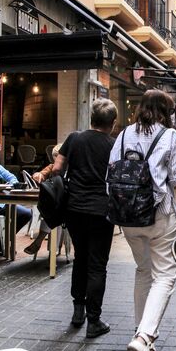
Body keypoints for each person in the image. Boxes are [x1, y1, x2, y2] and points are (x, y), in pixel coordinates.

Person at [108, 90, 176, 351]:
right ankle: (145, 336)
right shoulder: (170, 136)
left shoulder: (124, 134)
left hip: (127, 215)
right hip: (159, 214)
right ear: (166, 112)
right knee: (164, 276)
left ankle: (140, 334)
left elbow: (111, 170)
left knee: (143, 270)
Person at [52, 99, 117, 338]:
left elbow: (58, 168)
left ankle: (77, 313)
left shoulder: (74, 138)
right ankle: (94, 321)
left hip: (75, 209)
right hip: (102, 211)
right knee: (97, 264)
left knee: (81, 259)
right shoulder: (114, 144)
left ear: (91, 118)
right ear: (112, 122)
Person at [23, 143, 62, 255]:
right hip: (53, 206)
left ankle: (40, 242)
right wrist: (38, 175)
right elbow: (39, 174)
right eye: (54, 158)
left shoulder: (71, 169)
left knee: (55, 214)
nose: (56, 162)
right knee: (52, 213)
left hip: (69, 207)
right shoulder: (51, 167)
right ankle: (51, 252)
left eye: (58, 158)